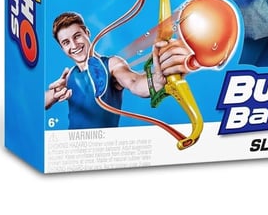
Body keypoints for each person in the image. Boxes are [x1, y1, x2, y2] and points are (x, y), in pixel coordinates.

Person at [45, 11, 192, 129]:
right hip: (73, 150)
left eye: (77, 36)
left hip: (105, 149)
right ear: (62, 48)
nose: (74, 45)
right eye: (66, 42)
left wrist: (158, 80)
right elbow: (40, 104)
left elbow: (135, 83)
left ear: (87, 33)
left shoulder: (111, 65)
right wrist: (54, 94)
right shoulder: (69, 75)